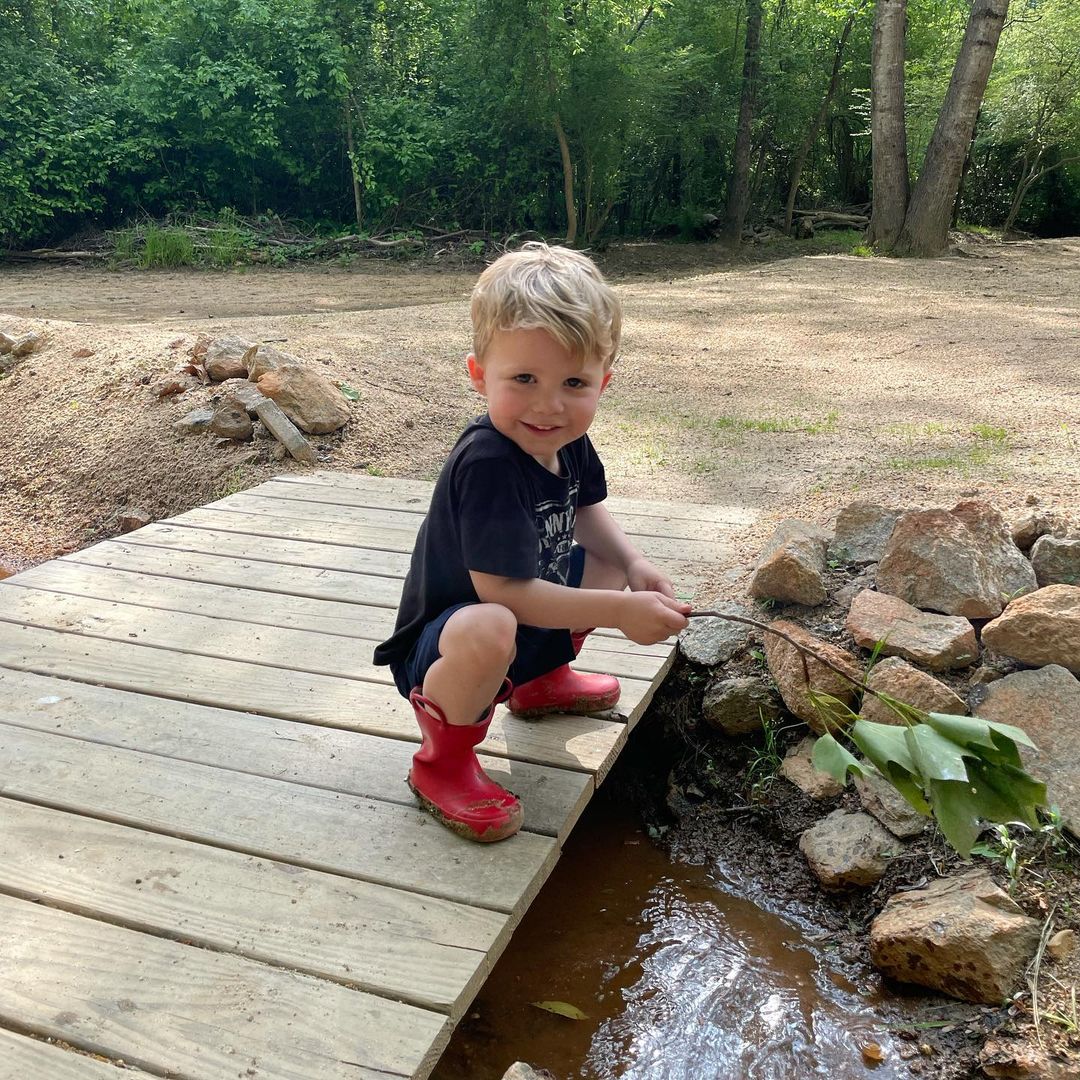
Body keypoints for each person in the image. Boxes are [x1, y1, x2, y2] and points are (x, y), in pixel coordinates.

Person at [373, 243, 690, 843]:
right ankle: (442, 762)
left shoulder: (566, 439)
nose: (549, 405)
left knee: (603, 560)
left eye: (574, 382)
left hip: (519, 625)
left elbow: (586, 510)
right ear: (479, 376)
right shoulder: (488, 461)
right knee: (490, 623)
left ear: (603, 381)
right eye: (524, 379)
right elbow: (506, 593)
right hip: (447, 648)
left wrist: (634, 563)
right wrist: (621, 612)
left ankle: (540, 679)